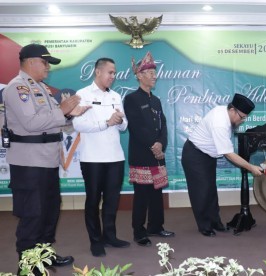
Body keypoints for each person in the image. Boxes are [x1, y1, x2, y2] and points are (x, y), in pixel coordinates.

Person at [2, 43, 89, 272]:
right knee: (33, 214)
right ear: (31, 62)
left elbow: (53, 122)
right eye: (45, 62)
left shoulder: (41, 88)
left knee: (50, 211)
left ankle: (44, 256)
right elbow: (31, 123)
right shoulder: (17, 88)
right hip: (29, 163)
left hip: (47, 161)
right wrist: (63, 110)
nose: (48, 68)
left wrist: (71, 114)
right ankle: (29, 266)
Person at [181, 93, 263, 237]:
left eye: (245, 118)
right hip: (195, 155)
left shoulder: (225, 114)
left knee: (211, 190)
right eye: (241, 117)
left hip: (207, 155)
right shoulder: (220, 122)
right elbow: (229, 154)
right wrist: (251, 168)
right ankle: (205, 226)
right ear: (232, 110)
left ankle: (215, 222)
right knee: (201, 192)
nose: (242, 121)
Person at [73, 57, 129, 257]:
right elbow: (78, 125)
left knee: (112, 201)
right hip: (92, 158)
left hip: (115, 157)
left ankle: (110, 236)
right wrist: (106, 122)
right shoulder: (82, 94)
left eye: (114, 73)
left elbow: (124, 126)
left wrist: (119, 120)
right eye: (110, 72)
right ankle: (95, 241)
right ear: (98, 72)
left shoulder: (115, 96)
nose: (113, 77)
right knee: (93, 200)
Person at [123, 51, 175, 247]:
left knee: (156, 193)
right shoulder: (131, 99)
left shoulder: (156, 101)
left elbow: (163, 126)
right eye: (150, 73)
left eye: (155, 73)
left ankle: (156, 226)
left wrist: (161, 144)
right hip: (142, 154)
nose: (155, 76)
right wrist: (153, 146)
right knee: (142, 195)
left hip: (157, 155)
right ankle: (139, 231)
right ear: (139, 75)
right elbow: (136, 127)